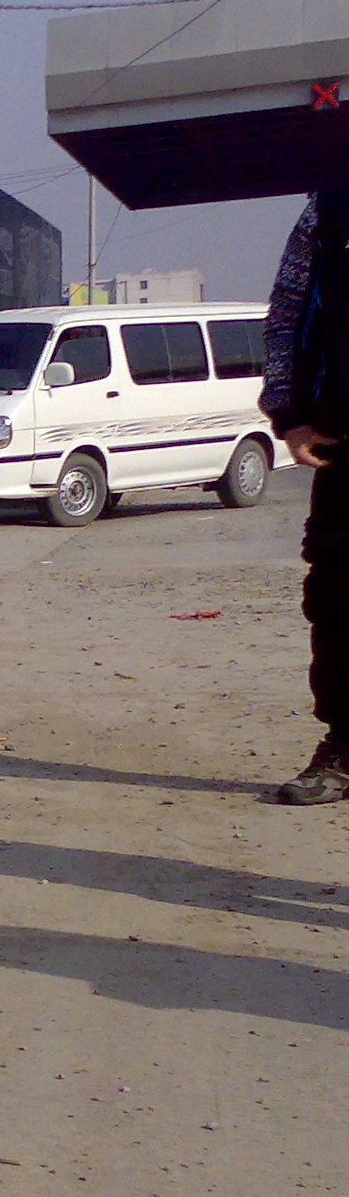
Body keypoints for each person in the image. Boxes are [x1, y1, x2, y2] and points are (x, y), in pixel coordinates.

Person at [262, 188, 349, 802]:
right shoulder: (331, 205)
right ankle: (343, 749)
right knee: (339, 603)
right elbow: (286, 314)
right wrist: (289, 415)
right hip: (343, 442)